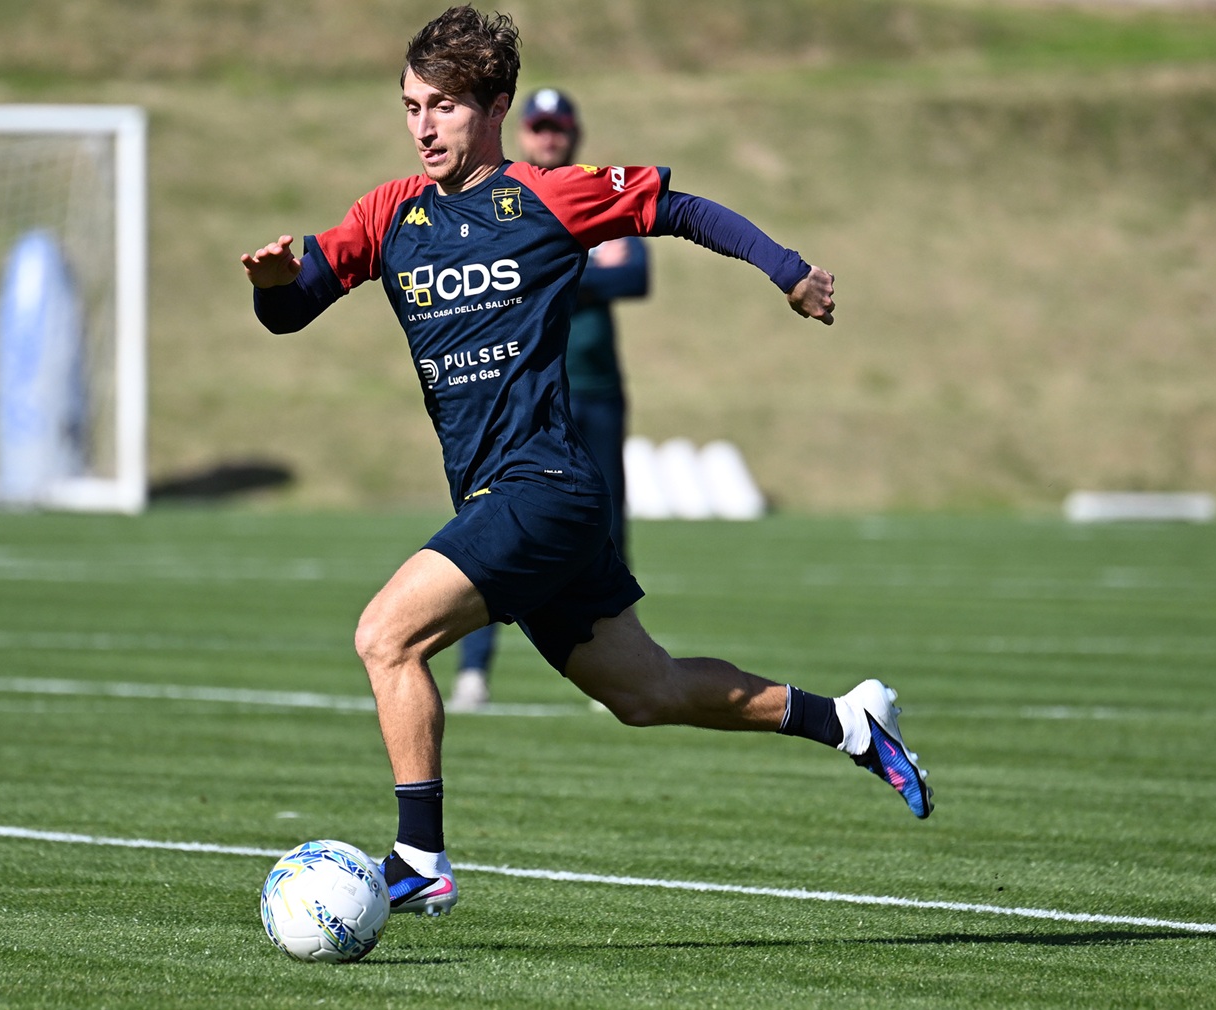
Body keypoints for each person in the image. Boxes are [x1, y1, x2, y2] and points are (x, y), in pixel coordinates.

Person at [241, 5, 932, 918]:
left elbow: (679, 208)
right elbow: (292, 310)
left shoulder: (547, 196)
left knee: (385, 636)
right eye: (411, 106)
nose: (423, 126)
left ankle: (418, 857)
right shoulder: (388, 215)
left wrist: (790, 271)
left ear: (494, 107)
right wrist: (273, 287)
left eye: (443, 106)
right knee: (645, 692)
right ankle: (848, 720)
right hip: (504, 498)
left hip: (545, 489)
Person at [448, 86, 648, 713]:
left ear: (574, 132)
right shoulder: (504, 199)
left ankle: (619, 667)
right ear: (520, 130)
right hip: (527, 395)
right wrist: (578, 268)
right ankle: (474, 670)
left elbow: (636, 274)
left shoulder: (595, 194)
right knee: (491, 525)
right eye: (540, 126)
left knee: (609, 524)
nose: (550, 136)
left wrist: (554, 270)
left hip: (598, 388)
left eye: (559, 126)